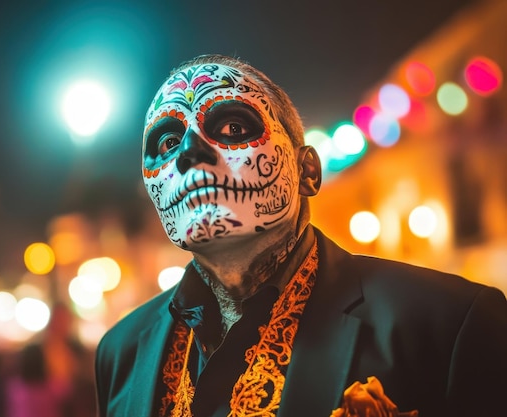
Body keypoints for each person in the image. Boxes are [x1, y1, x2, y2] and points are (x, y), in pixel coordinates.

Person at [95, 54, 507, 417]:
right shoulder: (121, 352)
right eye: (166, 141)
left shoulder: (448, 329)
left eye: (234, 127)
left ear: (307, 171)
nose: (188, 153)